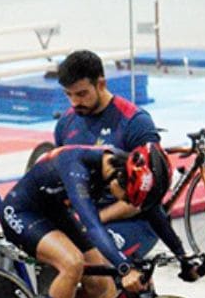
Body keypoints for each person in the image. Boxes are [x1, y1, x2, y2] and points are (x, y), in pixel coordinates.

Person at [0, 143, 204, 298]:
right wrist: (125, 268)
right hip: (22, 211)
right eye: (127, 197)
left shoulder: (119, 170)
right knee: (72, 263)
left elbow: (153, 213)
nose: (126, 203)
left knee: (98, 284)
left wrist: (183, 256)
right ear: (119, 177)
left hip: (53, 212)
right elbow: (93, 226)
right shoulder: (77, 166)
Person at [52, 49, 162, 259]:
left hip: (133, 221)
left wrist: (92, 219)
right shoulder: (65, 124)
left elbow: (149, 196)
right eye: (69, 95)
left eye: (82, 93)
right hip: (87, 218)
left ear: (100, 84)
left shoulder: (135, 123)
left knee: (91, 259)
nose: (75, 102)